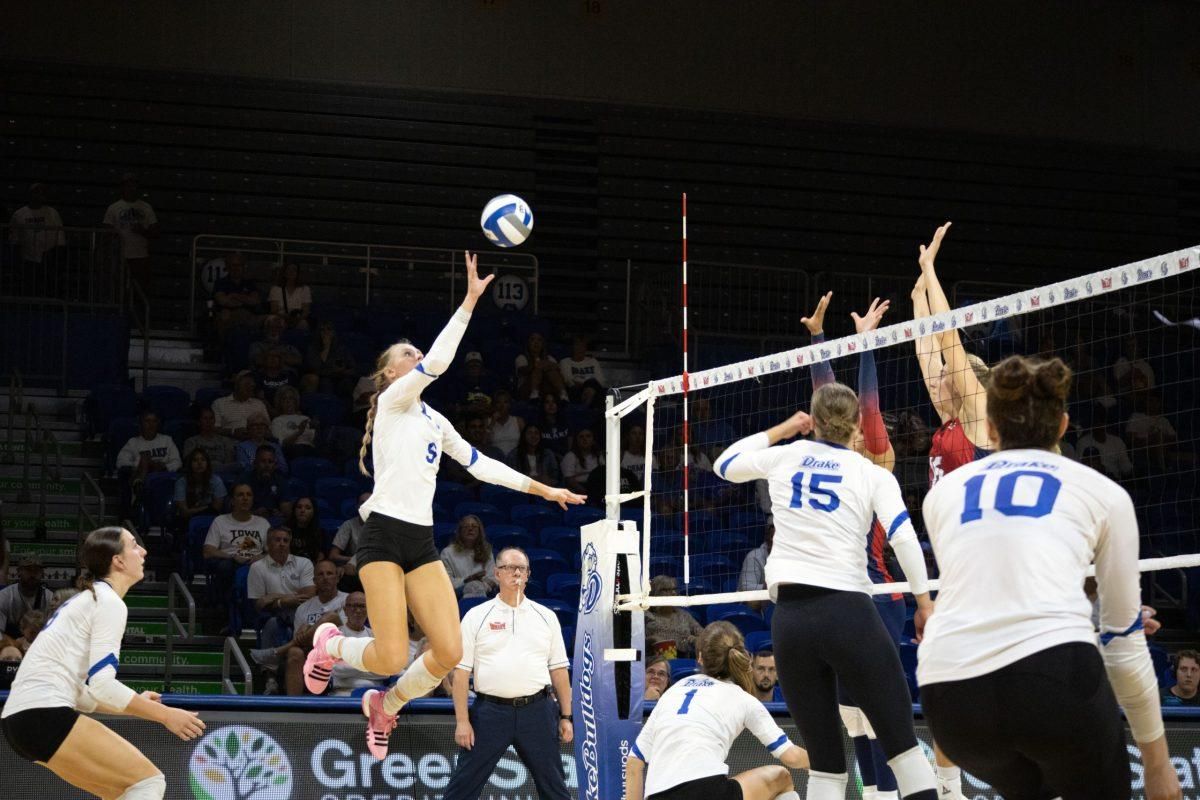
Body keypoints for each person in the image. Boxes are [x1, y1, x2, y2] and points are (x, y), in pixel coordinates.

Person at [302, 252, 585, 759]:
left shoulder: (435, 420)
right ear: (388, 374)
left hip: (420, 540)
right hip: (384, 535)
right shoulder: (392, 403)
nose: (415, 358)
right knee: (389, 653)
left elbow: (481, 465)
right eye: (405, 355)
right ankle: (329, 643)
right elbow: (438, 361)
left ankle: (385, 706)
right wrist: (470, 301)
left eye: (415, 353)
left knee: (451, 652)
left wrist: (544, 489)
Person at [919, 355, 1179, 800]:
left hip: (950, 697)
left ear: (992, 430)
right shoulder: (1104, 493)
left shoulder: (941, 497)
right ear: (1063, 426)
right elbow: (1125, 640)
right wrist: (1158, 765)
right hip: (1050, 680)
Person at [714, 383, 938, 800]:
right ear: (856, 428)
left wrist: (784, 428)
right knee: (904, 751)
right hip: (847, 612)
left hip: (791, 623)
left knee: (825, 766)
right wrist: (923, 603)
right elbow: (905, 540)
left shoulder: (785, 455)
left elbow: (724, 464)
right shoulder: (872, 474)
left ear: (813, 422)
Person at [0, 527, 204, 799]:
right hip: (43, 714)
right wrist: (167, 716)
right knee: (148, 782)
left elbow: (84, 696)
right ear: (118, 561)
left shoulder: (86, 600)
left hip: (19, 723)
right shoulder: (108, 602)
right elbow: (103, 686)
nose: (143, 551)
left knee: (122, 791)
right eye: (134, 545)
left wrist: (137, 705)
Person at [626, 621, 810, 800]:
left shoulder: (674, 690)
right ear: (742, 656)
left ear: (699, 657)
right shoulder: (743, 698)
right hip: (707, 791)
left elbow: (634, 763)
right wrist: (827, 763)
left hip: (659, 795)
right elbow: (792, 757)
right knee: (781, 777)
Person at [444, 547, 574, 800]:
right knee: (461, 788)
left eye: (522, 568)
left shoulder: (546, 617)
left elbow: (559, 670)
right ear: (497, 573)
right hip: (490, 713)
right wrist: (462, 721)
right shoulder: (476, 616)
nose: (516, 573)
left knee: (555, 789)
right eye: (509, 568)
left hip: (537, 711)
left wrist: (566, 716)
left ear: (528, 575)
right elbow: (460, 674)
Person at [911, 223, 991, 488]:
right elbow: (926, 354)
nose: (936, 378)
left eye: (945, 373)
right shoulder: (950, 420)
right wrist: (918, 297)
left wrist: (930, 269)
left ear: (960, 383)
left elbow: (947, 337)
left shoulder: (976, 411)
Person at [251, 559, 346, 696]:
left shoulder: (348, 600)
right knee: (295, 652)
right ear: (314, 580)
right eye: (321, 574)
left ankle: (277, 652)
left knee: (330, 618)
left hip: (337, 651)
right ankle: (293, 706)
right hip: (311, 652)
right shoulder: (303, 608)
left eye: (329, 573)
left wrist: (309, 627)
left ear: (337, 578)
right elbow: (301, 640)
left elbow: (341, 631)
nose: (325, 578)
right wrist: (307, 630)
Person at [202, 483, 270, 622]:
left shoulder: (263, 523)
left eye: (248, 495)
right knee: (225, 568)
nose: (245, 498)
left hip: (256, 565)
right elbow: (208, 551)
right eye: (240, 495)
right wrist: (232, 556)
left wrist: (261, 557)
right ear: (232, 501)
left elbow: (273, 552)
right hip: (231, 563)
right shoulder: (220, 521)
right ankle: (227, 614)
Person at [247, 528, 315, 651]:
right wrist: (283, 602)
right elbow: (258, 604)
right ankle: (269, 667)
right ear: (268, 544)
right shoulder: (257, 567)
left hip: (301, 611)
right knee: (274, 623)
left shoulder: (304, 563)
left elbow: (309, 594)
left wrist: (273, 597)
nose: (282, 543)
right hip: (273, 614)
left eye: (285, 540)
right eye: (277, 540)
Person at [116, 410, 182, 520]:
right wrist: (142, 463)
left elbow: (177, 461)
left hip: (163, 477)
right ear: (141, 423)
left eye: (154, 421)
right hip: (142, 475)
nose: (151, 425)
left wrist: (163, 467)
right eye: (147, 421)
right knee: (142, 467)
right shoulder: (133, 442)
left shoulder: (167, 440)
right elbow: (121, 462)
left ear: (158, 423)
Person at [102, 173, 158, 290]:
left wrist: (142, 231)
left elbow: (155, 232)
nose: (131, 188)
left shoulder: (146, 207)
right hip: (120, 255)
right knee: (119, 287)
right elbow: (106, 231)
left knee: (139, 287)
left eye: (133, 185)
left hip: (140, 255)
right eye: (127, 185)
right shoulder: (113, 208)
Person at [8, 182, 65, 295]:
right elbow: (14, 239)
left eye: (41, 192)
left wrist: (57, 254)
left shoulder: (53, 213)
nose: (39, 195)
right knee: (30, 289)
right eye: (36, 192)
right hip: (28, 258)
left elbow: (60, 236)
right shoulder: (19, 214)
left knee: (49, 288)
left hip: (49, 257)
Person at [645, 575, 703, 659]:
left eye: (674, 589)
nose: (673, 593)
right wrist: (651, 639)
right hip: (655, 662)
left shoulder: (683, 615)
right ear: (655, 593)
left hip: (684, 661)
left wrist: (695, 639)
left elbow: (704, 635)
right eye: (666, 590)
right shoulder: (646, 615)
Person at [440, 515, 498, 598]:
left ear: (479, 531)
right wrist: (467, 580)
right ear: (460, 531)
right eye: (466, 526)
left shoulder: (487, 552)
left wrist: (480, 586)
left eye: (474, 526)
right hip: (457, 596)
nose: (470, 529)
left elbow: (493, 577)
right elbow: (446, 581)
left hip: (484, 594)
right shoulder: (447, 552)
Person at [0, 555, 53, 639]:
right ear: (19, 572)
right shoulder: (5, 596)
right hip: (11, 645)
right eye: (28, 570)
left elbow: (54, 631)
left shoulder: (49, 597)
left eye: (36, 571)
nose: (32, 574)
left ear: (42, 573)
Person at [173, 448, 227, 531]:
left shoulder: (216, 481)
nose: (199, 463)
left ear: (207, 463)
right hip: (186, 521)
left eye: (203, 460)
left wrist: (194, 510)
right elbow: (184, 512)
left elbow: (216, 509)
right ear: (190, 464)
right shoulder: (181, 482)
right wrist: (206, 508)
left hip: (211, 521)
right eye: (195, 460)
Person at [212, 251, 261, 339]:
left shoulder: (250, 283)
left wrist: (234, 295)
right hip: (228, 316)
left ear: (243, 267)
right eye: (233, 265)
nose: (236, 268)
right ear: (227, 267)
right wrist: (244, 300)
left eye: (238, 265)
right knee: (224, 315)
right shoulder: (220, 283)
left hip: (248, 316)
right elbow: (222, 301)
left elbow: (254, 301)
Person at [238, 444, 292, 518]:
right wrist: (254, 513)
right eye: (263, 461)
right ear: (255, 463)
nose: (267, 465)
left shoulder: (281, 481)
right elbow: (235, 508)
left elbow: (286, 511)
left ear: (275, 465)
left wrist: (280, 514)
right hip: (247, 520)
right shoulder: (244, 479)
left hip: (272, 521)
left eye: (270, 462)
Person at [212, 371, 270, 440]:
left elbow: (268, 428)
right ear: (236, 384)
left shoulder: (259, 404)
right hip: (229, 441)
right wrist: (233, 432)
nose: (251, 386)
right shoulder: (219, 403)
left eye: (252, 385)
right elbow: (214, 429)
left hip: (256, 442)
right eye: (247, 384)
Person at [304, 321, 357, 395]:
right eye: (322, 330)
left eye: (329, 329)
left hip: (340, 377)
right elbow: (315, 368)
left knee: (347, 383)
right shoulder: (313, 349)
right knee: (325, 383)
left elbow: (353, 368)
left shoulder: (341, 349)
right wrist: (326, 347)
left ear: (333, 332)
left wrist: (343, 371)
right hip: (323, 378)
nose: (326, 332)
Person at [271, 385, 318, 460]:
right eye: (284, 399)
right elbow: (282, 444)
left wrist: (317, 429)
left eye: (291, 398)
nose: (288, 401)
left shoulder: (305, 418)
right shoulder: (277, 421)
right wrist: (299, 432)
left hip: (310, 449)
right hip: (292, 451)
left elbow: (314, 440)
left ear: (295, 401)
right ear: (279, 403)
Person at [515, 331, 566, 400]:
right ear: (528, 343)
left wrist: (543, 365)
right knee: (538, 368)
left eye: (539, 340)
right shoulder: (522, 358)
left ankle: (563, 394)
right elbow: (522, 371)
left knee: (551, 371)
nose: (536, 342)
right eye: (532, 340)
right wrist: (536, 365)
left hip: (547, 388)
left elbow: (558, 371)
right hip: (527, 389)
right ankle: (534, 393)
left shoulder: (550, 358)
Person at [559, 335, 607, 407]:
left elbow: (601, 381)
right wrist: (585, 385)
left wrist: (584, 384)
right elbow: (568, 380)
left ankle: (585, 408)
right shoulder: (565, 362)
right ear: (572, 347)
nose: (580, 348)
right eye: (577, 345)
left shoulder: (593, 361)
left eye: (583, 346)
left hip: (594, 389)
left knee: (593, 384)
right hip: (576, 390)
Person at [738, 522, 773, 610]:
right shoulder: (754, 556)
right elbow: (747, 587)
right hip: (748, 605)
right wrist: (774, 588)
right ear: (767, 540)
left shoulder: (789, 559)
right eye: (772, 537)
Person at [268, 261, 312, 329]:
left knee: (303, 324)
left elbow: (305, 310)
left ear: (298, 273)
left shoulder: (305, 289)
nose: (291, 272)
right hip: (280, 318)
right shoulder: (275, 289)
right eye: (289, 269)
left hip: (298, 318)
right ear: (284, 272)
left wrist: (297, 318)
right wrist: (286, 317)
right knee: (273, 321)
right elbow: (273, 310)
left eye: (294, 270)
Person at [560, 428, 602, 494]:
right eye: (581, 437)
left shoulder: (599, 455)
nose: (585, 439)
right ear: (576, 440)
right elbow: (570, 481)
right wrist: (587, 493)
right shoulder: (570, 456)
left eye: (588, 436)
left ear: (593, 440)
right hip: (578, 490)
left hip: (597, 487)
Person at [285, 496, 324, 563]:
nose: (302, 510)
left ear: (313, 512)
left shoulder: (320, 532)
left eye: (308, 508)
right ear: (294, 510)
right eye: (299, 507)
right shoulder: (284, 530)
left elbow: (321, 556)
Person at [488, 389, 524, 456]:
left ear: (509, 405)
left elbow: (525, 443)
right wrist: (492, 423)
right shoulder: (488, 421)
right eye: (498, 402)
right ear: (494, 405)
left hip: (515, 459)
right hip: (495, 459)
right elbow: (483, 442)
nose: (502, 405)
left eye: (505, 402)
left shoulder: (518, 421)